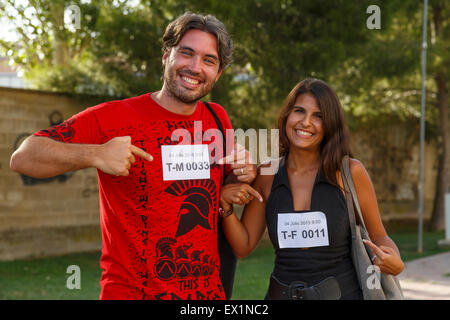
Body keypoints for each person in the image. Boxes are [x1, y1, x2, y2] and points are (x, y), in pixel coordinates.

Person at [9, 12, 256, 300]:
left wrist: (241, 173)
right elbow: (24, 157)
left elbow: (215, 192)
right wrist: (97, 154)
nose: (195, 67)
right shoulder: (114, 117)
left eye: (208, 60)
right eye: (186, 53)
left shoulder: (217, 118)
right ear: (166, 56)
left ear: (219, 73)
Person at [219, 78, 404, 300]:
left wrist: (394, 259)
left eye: (319, 116)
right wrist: (225, 204)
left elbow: (379, 235)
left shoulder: (350, 172)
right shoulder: (267, 173)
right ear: (287, 115)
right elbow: (244, 246)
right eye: (299, 111)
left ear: (330, 125)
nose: (306, 122)